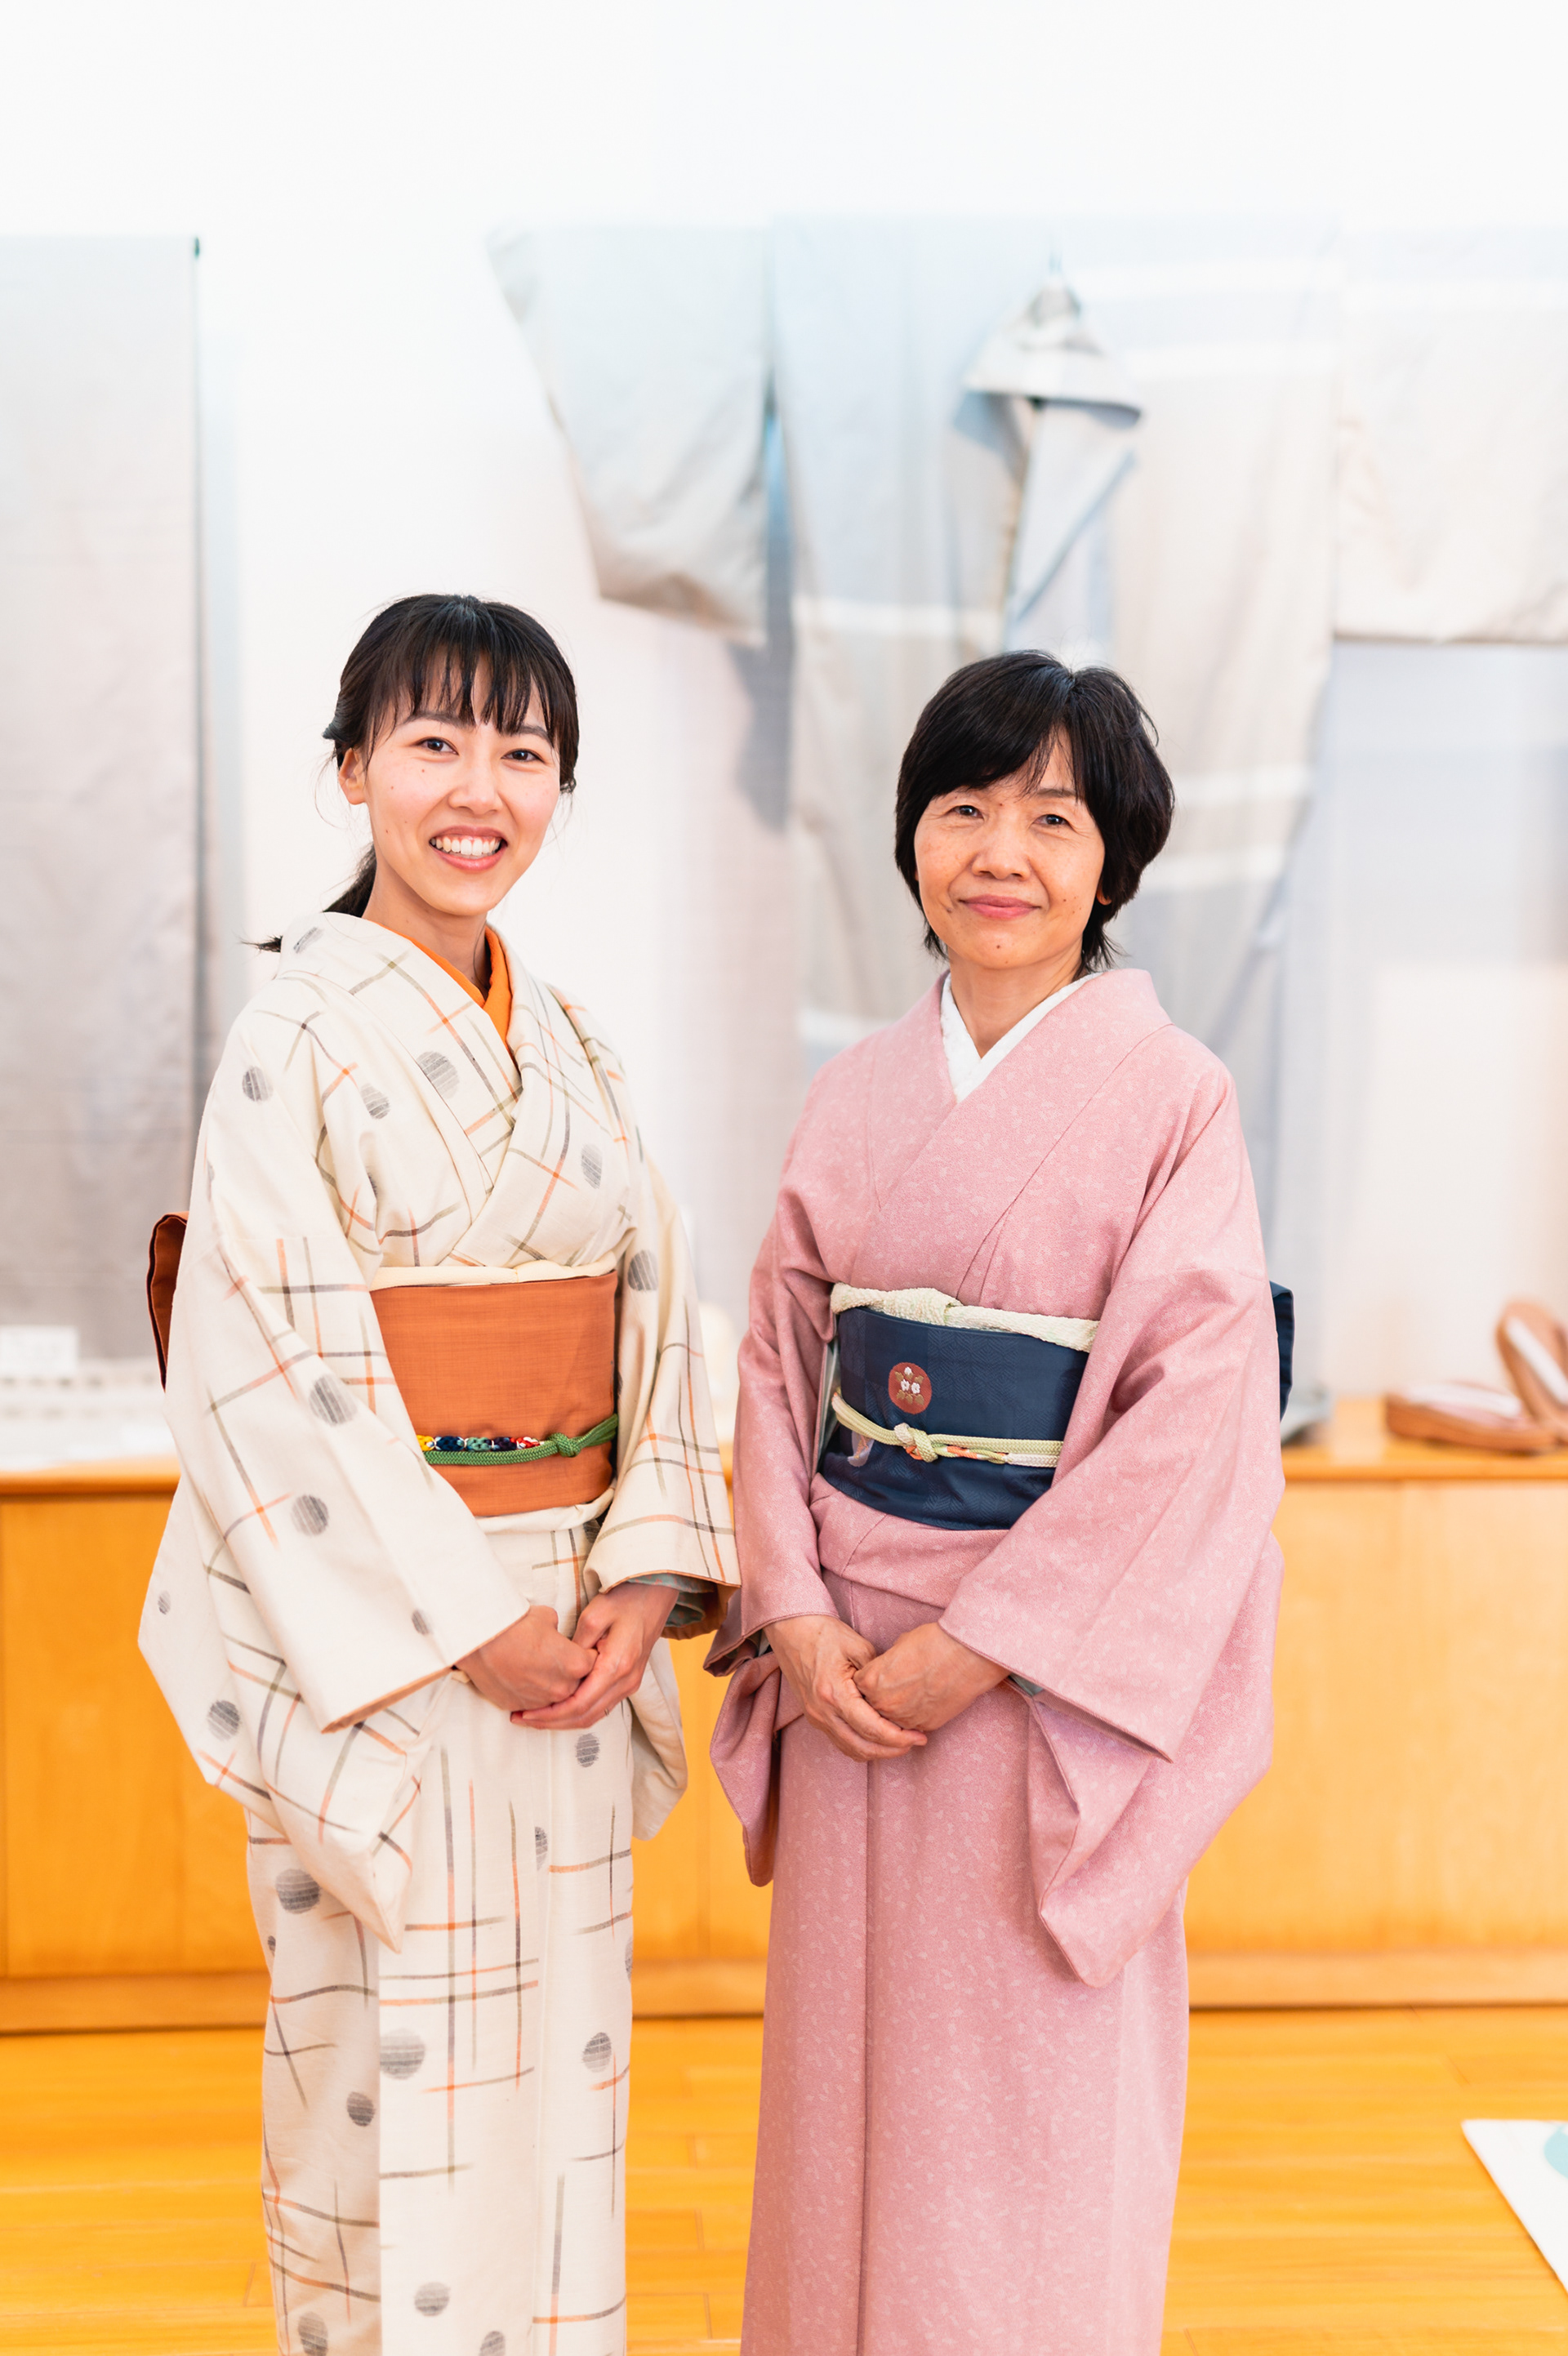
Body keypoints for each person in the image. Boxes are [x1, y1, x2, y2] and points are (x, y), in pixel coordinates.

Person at [140, 594, 737, 2356]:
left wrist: (642, 1573)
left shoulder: (578, 1048)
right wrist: (470, 1623)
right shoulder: (293, 1040)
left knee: (561, 2073)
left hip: (573, 1620)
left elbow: (660, 1312)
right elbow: (267, 1367)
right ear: (352, 770)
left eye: (522, 752)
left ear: (558, 788)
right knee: (372, 2069)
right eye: (433, 742)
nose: (480, 789)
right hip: (391, 1642)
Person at [709, 652, 1284, 2356]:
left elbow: (1197, 1421)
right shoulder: (854, 1091)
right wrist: (792, 1612)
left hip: (1034, 1689)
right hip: (842, 1667)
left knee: (1025, 2092)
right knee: (843, 2086)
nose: (1001, 853)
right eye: (963, 809)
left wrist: (985, 1642)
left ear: (1114, 861)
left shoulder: (1174, 1099)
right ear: (913, 841)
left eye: (1054, 818)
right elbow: (775, 1362)